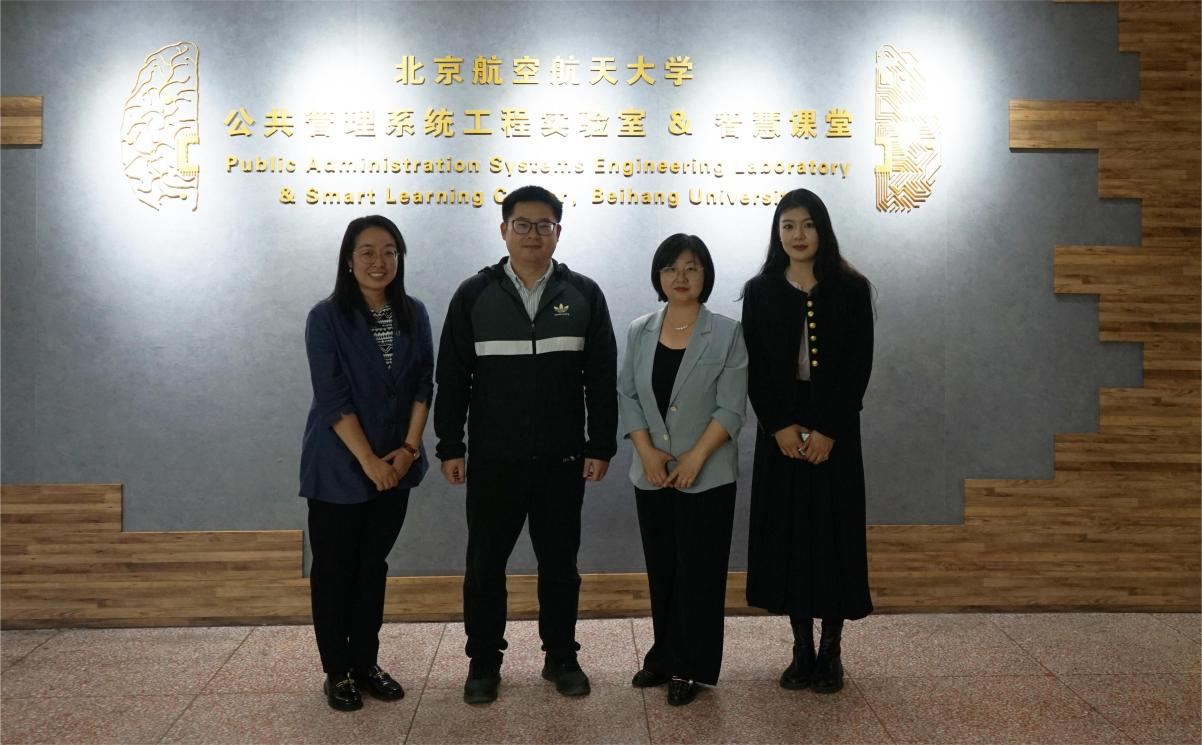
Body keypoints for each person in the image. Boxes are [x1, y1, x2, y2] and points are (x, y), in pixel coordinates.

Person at [434, 184, 618, 704]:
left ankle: (561, 656)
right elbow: (453, 377)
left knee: (560, 565)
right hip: (494, 460)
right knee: (484, 567)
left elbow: (601, 376)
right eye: (522, 224)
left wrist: (600, 445)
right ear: (503, 230)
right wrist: (450, 445)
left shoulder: (584, 294)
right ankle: (483, 661)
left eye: (544, 225)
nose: (533, 234)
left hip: (562, 460)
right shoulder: (474, 294)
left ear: (558, 232)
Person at [740, 188, 874, 695]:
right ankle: (800, 649)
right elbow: (754, 367)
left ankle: (831, 651)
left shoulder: (851, 288)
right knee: (790, 536)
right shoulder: (760, 290)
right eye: (788, 225)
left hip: (835, 429)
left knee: (834, 535)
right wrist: (778, 425)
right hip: (781, 431)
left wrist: (828, 430)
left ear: (824, 229)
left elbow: (858, 366)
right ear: (778, 233)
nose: (798, 235)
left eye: (808, 224)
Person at [299, 215, 434, 711]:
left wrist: (408, 450)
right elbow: (332, 397)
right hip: (339, 466)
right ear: (348, 260)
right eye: (367, 252)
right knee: (335, 570)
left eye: (390, 251)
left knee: (372, 567)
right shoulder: (326, 316)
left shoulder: (414, 313)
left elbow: (423, 384)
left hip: (398, 465)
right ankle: (337, 671)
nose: (380, 262)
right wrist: (371, 462)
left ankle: (366, 664)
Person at [617, 234, 748, 707]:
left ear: (705, 275)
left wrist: (696, 457)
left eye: (692, 267)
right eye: (671, 268)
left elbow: (731, 407)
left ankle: (692, 666)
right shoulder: (639, 330)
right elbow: (627, 395)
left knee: (700, 572)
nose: (681, 277)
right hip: (651, 472)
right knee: (664, 569)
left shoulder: (727, 332)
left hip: (707, 473)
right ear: (659, 276)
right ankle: (663, 656)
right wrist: (647, 452)